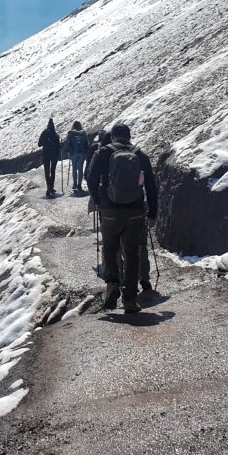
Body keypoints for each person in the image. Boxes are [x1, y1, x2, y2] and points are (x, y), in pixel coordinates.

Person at [87, 122, 158, 313]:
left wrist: (99, 201)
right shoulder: (140, 155)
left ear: (113, 137)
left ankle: (112, 286)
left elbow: (90, 178)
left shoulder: (102, 153)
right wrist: (152, 213)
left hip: (109, 210)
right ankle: (130, 299)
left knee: (110, 248)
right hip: (135, 211)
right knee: (132, 253)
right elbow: (151, 185)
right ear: (129, 136)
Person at [37, 119, 61, 197]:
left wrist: (45, 142)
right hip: (54, 155)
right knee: (53, 170)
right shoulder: (56, 135)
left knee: (47, 171)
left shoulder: (44, 133)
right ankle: (52, 187)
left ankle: (48, 188)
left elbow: (39, 144)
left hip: (46, 154)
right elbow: (58, 146)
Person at [65, 121, 89, 192]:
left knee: (74, 168)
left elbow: (67, 144)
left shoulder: (70, 133)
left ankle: (75, 182)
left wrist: (66, 150)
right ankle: (79, 185)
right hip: (82, 153)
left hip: (73, 153)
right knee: (80, 168)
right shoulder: (83, 133)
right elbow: (86, 144)